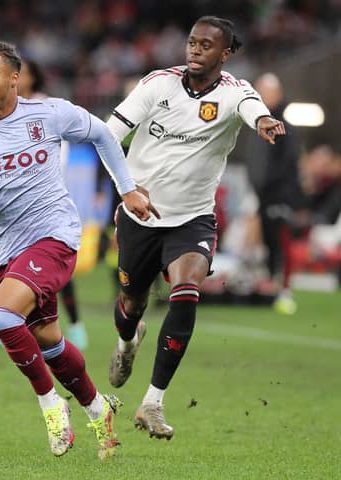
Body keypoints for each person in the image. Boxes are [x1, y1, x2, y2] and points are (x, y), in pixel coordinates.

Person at [0, 41, 155, 459]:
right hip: (4, 250)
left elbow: (103, 135)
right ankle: (96, 407)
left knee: (1, 316)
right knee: (48, 341)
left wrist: (126, 190)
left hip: (54, 236)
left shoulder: (49, 114)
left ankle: (51, 406)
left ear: (15, 78)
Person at [104, 16, 285, 440]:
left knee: (186, 294)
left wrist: (263, 122)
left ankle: (152, 403)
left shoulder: (235, 92)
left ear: (225, 54)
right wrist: (127, 188)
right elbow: (110, 134)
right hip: (140, 215)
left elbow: (252, 109)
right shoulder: (157, 85)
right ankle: (127, 343)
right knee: (131, 304)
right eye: (191, 42)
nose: (195, 50)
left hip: (192, 219)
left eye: (206, 45)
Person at [0, 59, 88, 352]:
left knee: (55, 267)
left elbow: (57, 151)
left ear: (30, 79)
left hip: (42, 202)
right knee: (2, 262)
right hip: (8, 205)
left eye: (19, 75)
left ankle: (76, 326)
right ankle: (0, 327)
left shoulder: (45, 109)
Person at [248, 73, 304, 314]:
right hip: (264, 194)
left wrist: (278, 191)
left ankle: (285, 288)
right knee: (270, 241)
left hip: (279, 195)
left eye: (265, 92)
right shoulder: (259, 123)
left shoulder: (283, 126)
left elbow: (288, 163)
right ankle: (273, 285)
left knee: (282, 240)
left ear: (277, 94)